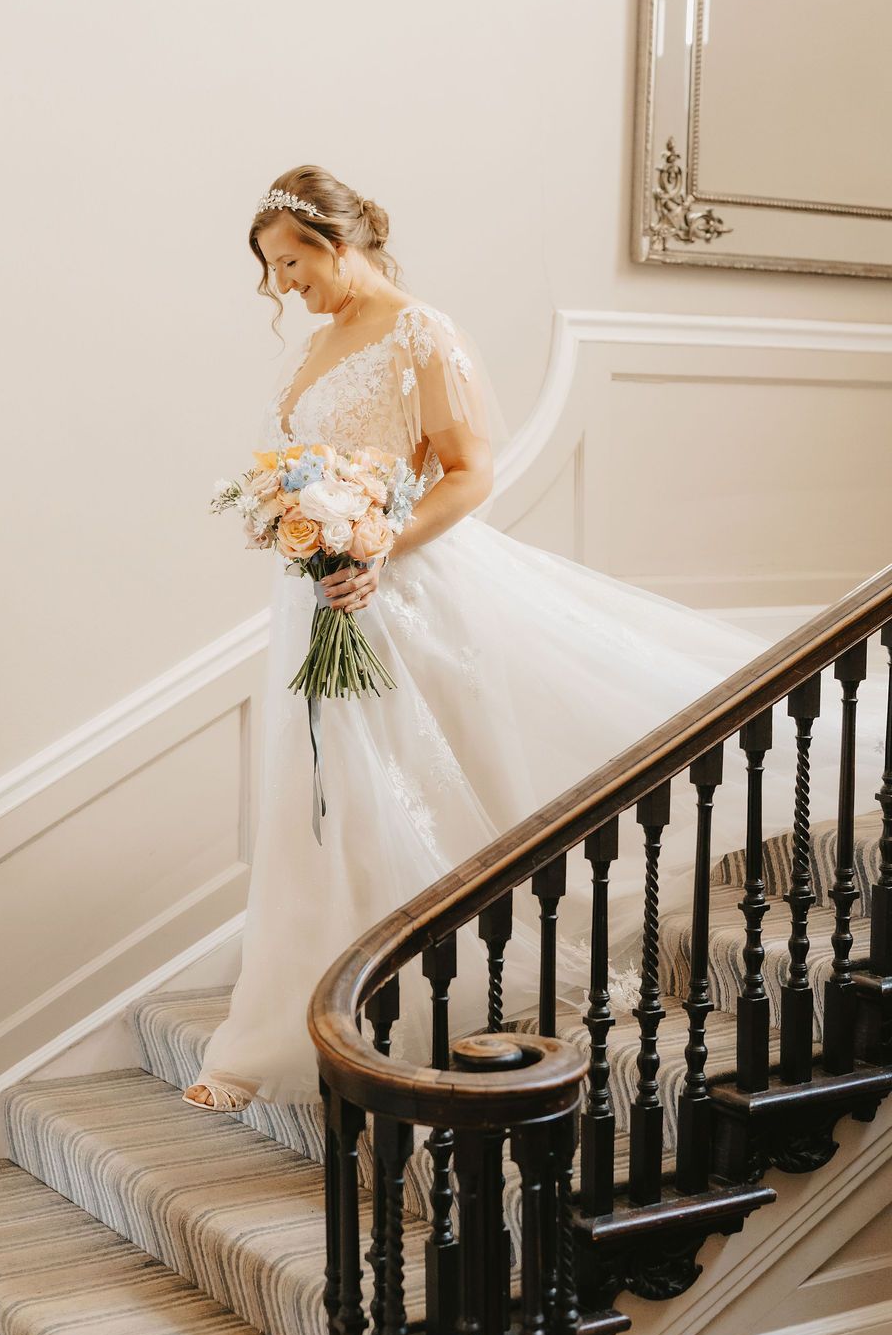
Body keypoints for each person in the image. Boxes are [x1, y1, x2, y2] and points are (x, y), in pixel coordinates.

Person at [182, 164, 888, 1112]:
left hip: (402, 587)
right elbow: (300, 464)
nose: (284, 286)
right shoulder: (311, 346)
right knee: (323, 795)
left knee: (407, 787)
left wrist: (379, 540)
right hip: (321, 594)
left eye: (292, 263)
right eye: (271, 269)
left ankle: (420, 1007)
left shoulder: (420, 332)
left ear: (339, 243)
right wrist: (298, 522)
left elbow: (470, 473)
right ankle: (291, 1019)